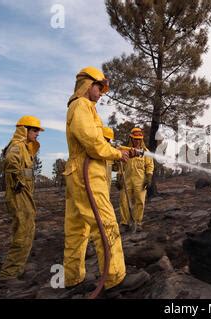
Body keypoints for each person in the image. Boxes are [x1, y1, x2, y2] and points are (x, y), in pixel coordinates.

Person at [63, 66, 142, 291]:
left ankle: (72, 278)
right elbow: (93, 142)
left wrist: (124, 150)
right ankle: (116, 280)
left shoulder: (84, 108)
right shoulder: (81, 106)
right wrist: (118, 154)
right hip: (87, 175)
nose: (101, 93)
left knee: (77, 229)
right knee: (105, 224)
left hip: (77, 174)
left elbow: (99, 141)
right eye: (99, 87)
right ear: (87, 85)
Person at [0, 116, 44, 285]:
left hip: (25, 196)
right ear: (23, 130)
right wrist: (17, 182)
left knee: (27, 230)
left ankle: (17, 268)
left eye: (38, 130)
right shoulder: (17, 147)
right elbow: (11, 161)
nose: (38, 133)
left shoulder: (26, 148)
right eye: (34, 130)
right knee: (22, 233)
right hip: (19, 196)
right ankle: (8, 275)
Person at [119, 128, 154, 232]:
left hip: (140, 180)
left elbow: (150, 165)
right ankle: (125, 223)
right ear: (131, 138)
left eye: (139, 139)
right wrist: (119, 177)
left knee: (140, 201)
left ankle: (137, 223)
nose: (137, 141)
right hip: (127, 180)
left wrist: (148, 177)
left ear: (142, 139)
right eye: (135, 139)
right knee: (124, 201)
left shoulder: (145, 152)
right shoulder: (126, 151)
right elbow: (121, 165)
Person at [102, 126, 115, 194]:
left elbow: (114, 166)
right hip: (100, 171)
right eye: (106, 138)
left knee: (107, 190)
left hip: (108, 171)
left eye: (109, 139)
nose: (108, 140)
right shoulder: (99, 147)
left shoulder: (111, 148)